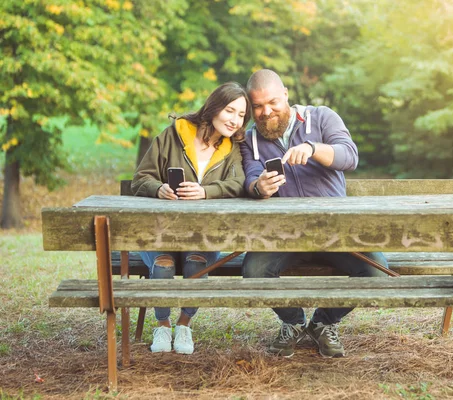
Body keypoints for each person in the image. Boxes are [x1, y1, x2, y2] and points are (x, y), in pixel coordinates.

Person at [240, 69, 389, 358]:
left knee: (375, 271)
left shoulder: (320, 117)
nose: (265, 111)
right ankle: (294, 322)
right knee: (253, 271)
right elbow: (250, 177)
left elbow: (349, 155)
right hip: (285, 235)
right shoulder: (250, 140)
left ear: (285, 94)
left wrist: (313, 148)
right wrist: (259, 186)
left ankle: (323, 322)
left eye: (272, 102)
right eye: (257, 106)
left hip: (336, 231)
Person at [131, 82, 251, 354]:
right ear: (213, 108)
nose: (235, 120)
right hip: (160, 231)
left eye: (241, 115)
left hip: (203, 234)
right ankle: (162, 325)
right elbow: (140, 179)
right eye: (230, 111)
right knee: (162, 264)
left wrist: (206, 192)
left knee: (195, 262)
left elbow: (240, 183)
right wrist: (158, 189)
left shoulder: (232, 148)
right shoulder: (172, 136)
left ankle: (184, 325)